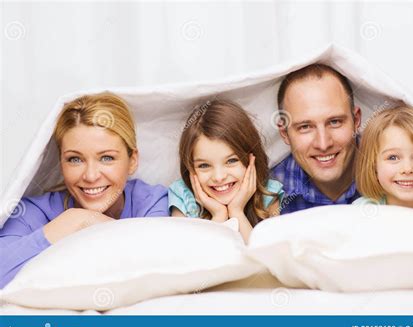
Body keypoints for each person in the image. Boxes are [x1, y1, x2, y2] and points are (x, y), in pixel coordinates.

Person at [0, 92, 169, 288]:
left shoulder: (152, 202)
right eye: (75, 159)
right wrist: (73, 221)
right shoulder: (28, 212)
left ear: (133, 161)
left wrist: (101, 226)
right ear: (61, 163)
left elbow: (155, 270)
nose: (90, 176)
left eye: (106, 158)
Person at [169, 100, 284, 243]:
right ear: (190, 168)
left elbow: (264, 260)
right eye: (204, 165)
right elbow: (195, 259)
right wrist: (219, 215)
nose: (219, 177)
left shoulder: (268, 194)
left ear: (251, 159)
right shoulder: (183, 198)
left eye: (231, 161)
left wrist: (237, 212)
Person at [272, 63, 361, 214]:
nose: (323, 144)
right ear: (284, 133)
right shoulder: (268, 194)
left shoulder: (396, 172)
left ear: (356, 120)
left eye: (335, 122)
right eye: (305, 127)